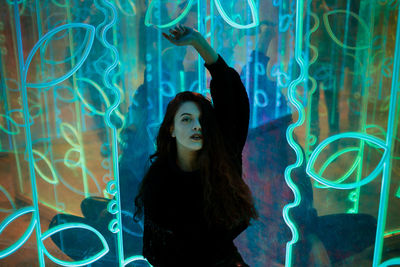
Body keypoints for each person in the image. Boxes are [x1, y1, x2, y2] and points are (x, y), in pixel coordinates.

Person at [134, 25, 258, 267]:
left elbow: (230, 95)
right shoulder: (159, 179)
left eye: (201, 120)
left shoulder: (222, 162)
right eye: (186, 119)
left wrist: (199, 43)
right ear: (171, 128)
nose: (196, 126)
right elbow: (155, 250)